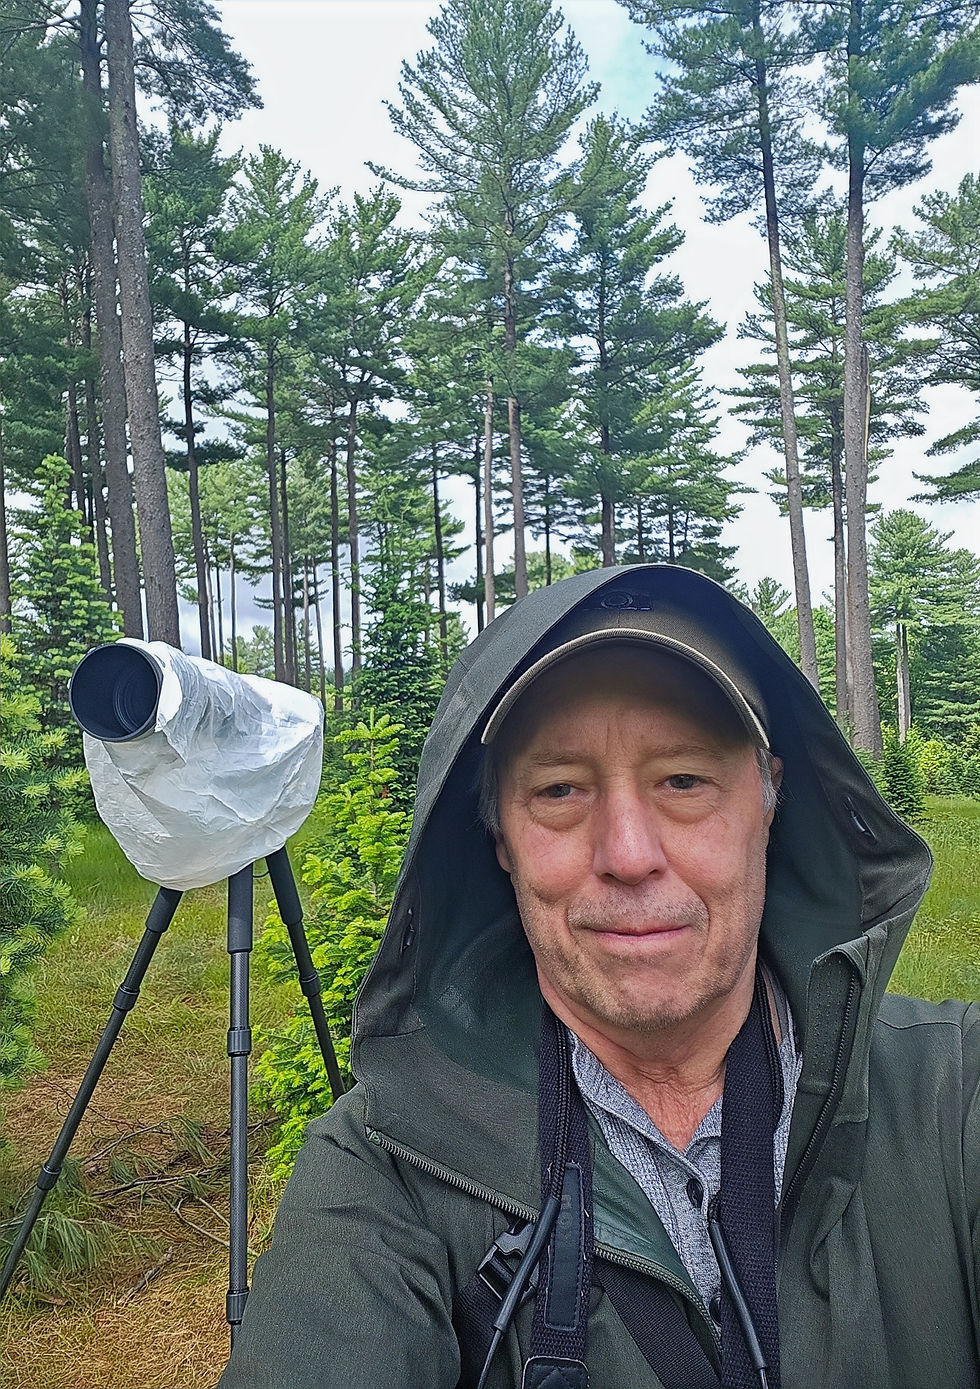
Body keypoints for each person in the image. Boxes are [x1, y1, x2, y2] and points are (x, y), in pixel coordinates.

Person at [220, 564, 979, 1389]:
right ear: (499, 835)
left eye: (683, 779)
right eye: (559, 789)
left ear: (768, 798)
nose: (628, 853)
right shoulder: (388, 1167)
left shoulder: (952, 1095)